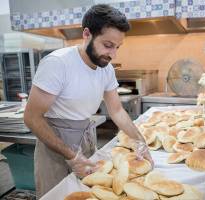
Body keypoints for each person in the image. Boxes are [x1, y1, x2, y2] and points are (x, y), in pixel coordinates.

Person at [23, 4, 153, 199]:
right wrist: (72, 156)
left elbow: (117, 111)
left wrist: (140, 141)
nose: (113, 54)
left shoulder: (106, 69)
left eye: (117, 47)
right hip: (54, 147)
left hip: (85, 140)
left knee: (87, 195)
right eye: (108, 45)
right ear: (86, 34)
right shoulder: (58, 63)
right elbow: (32, 117)